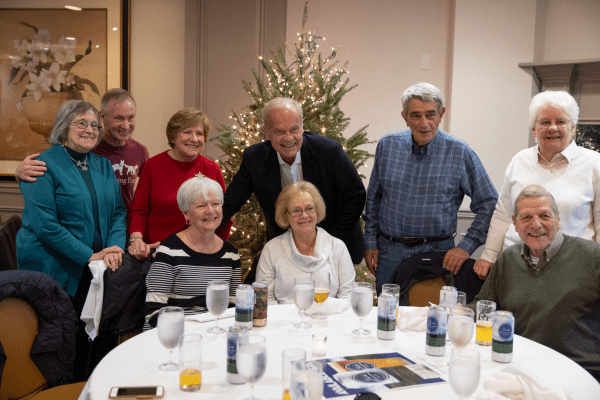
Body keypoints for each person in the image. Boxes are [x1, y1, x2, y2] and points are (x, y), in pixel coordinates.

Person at [363, 82, 498, 293]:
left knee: (433, 318)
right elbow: (373, 200)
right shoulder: (387, 146)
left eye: (430, 114)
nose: (424, 123)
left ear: (441, 114)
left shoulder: (460, 152)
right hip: (390, 252)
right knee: (388, 317)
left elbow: (489, 203)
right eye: (415, 115)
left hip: (438, 254)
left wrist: (466, 247)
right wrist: (370, 242)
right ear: (404, 117)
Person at [469, 185, 600, 381]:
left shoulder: (592, 257)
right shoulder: (508, 259)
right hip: (519, 369)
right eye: (526, 217)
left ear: (558, 219)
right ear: (514, 222)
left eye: (544, 216)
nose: (536, 224)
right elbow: (484, 306)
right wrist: (456, 313)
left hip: (579, 373)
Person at [220, 97, 366, 264]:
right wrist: (200, 231)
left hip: (336, 244)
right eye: (280, 132)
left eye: (294, 129)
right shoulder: (254, 159)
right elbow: (230, 202)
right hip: (286, 251)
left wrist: (328, 242)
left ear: (302, 128)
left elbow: (356, 196)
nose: (288, 138)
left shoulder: (328, 151)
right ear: (266, 133)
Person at [473, 90, 600, 279]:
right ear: (533, 129)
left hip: (572, 270)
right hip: (517, 267)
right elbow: (503, 214)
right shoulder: (519, 160)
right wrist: (489, 254)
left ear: (573, 128)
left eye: (561, 121)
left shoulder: (594, 164)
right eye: (545, 122)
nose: (552, 128)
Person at [17, 100, 126, 299]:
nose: (89, 130)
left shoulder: (103, 165)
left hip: (98, 266)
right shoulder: (41, 166)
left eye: (94, 125)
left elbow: (118, 212)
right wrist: (89, 256)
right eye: (81, 123)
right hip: (54, 269)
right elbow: (46, 226)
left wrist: (115, 248)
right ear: (64, 126)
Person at [15, 88, 149, 213]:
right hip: (89, 224)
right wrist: (19, 172)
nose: (126, 125)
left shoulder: (140, 151)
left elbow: (150, 189)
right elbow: (54, 165)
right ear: (103, 117)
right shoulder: (86, 147)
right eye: (118, 118)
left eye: (131, 117)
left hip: (123, 225)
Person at [128, 108, 232, 260]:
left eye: (199, 133)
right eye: (187, 132)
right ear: (173, 136)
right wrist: (136, 240)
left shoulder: (211, 169)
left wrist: (213, 251)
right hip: (156, 251)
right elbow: (138, 210)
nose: (194, 138)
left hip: (199, 253)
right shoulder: (152, 166)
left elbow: (222, 216)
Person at [145, 176, 241, 329]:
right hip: (175, 334)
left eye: (216, 203)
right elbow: (154, 312)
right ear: (186, 213)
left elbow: (233, 307)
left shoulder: (231, 254)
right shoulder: (169, 250)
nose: (210, 211)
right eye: (201, 205)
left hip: (215, 333)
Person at [255, 181, 355, 304]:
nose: (304, 215)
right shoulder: (272, 249)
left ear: (317, 211)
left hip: (327, 320)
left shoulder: (338, 247)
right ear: (286, 216)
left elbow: (348, 296)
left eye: (309, 208)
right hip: (284, 321)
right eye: (296, 210)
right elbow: (265, 300)